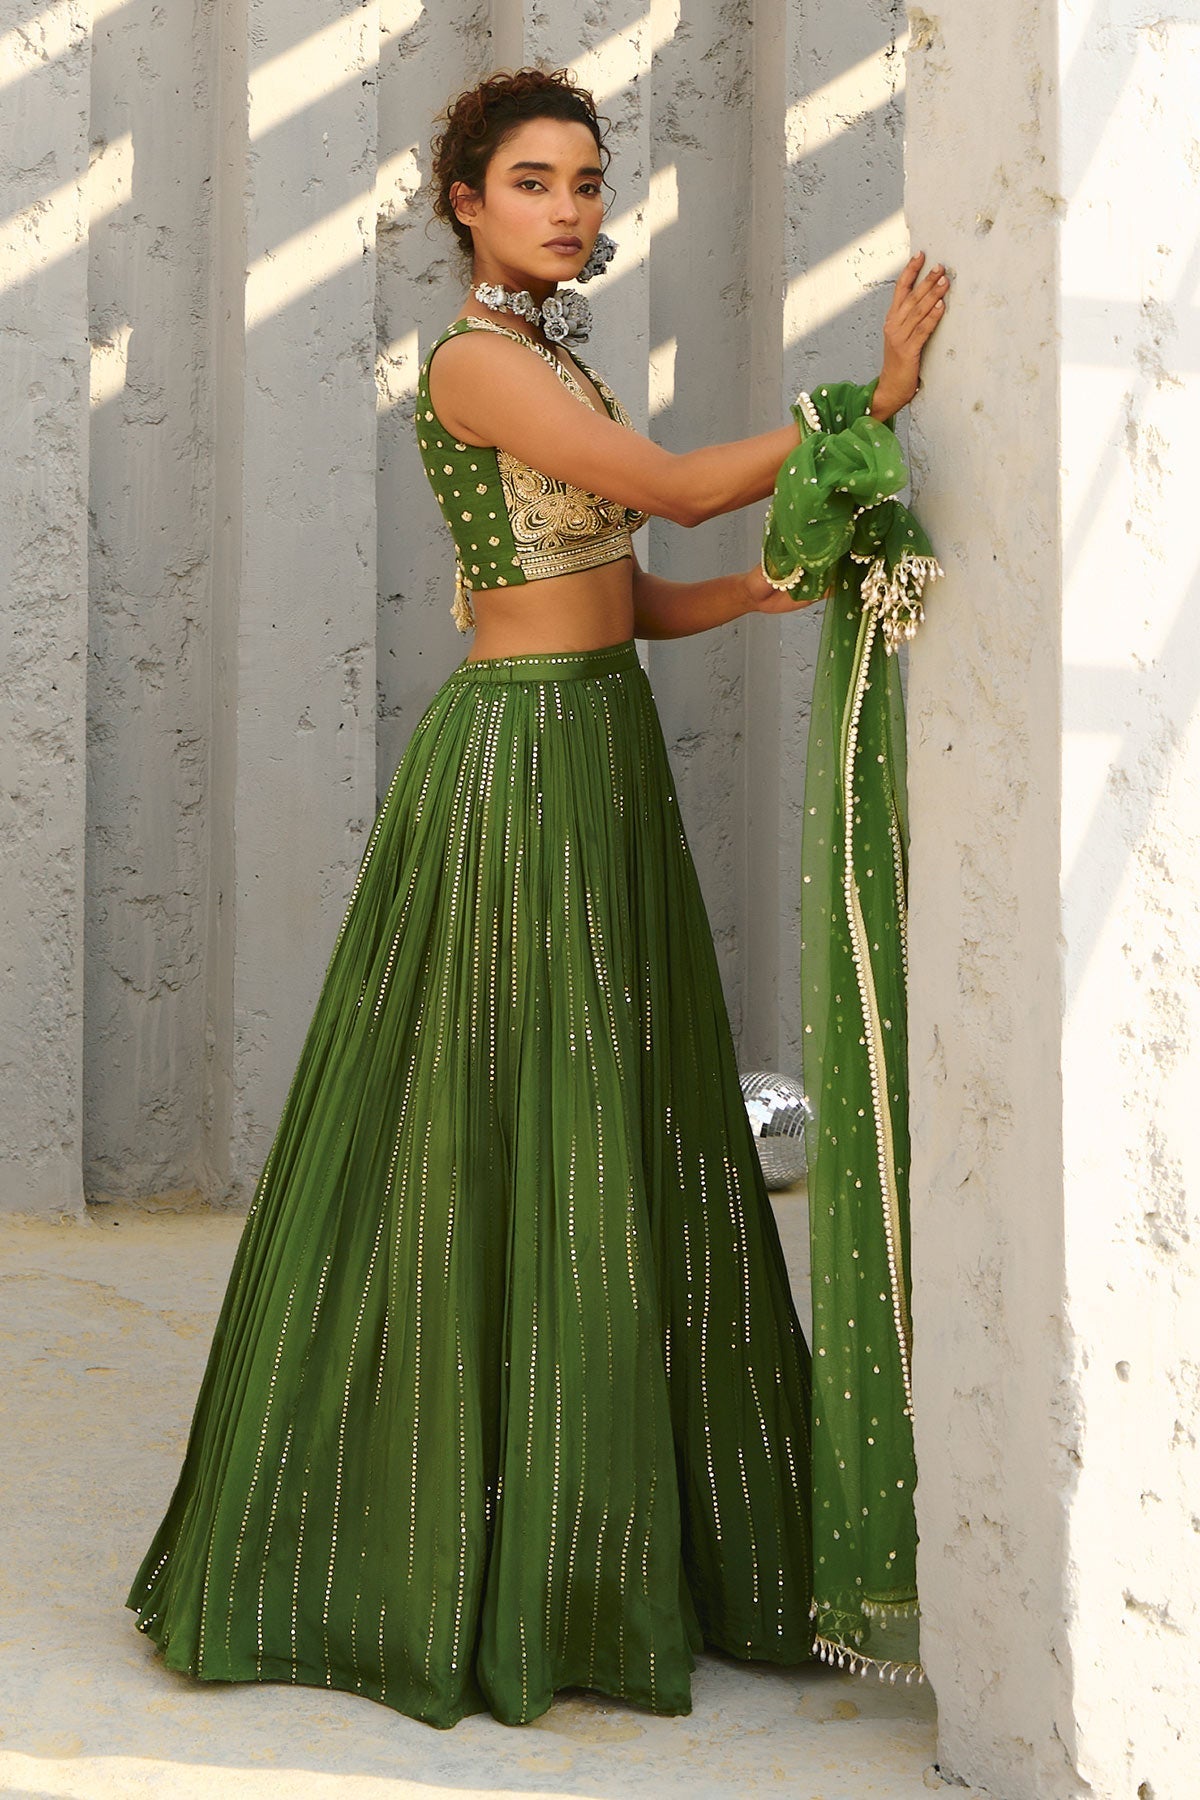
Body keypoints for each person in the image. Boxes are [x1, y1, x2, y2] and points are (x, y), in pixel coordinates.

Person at [125, 64, 947, 1731]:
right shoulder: (476, 364)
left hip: (601, 748)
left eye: (586, 181)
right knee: (490, 1135)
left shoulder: (555, 359)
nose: (569, 208)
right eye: (533, 182)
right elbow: (671, 488)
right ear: (465, 201)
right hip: (515, 769)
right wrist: (866, 402)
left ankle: (603, 1544)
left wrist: (764, 594)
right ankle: (451, 1555)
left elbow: (619, 592)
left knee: (616, 1124)